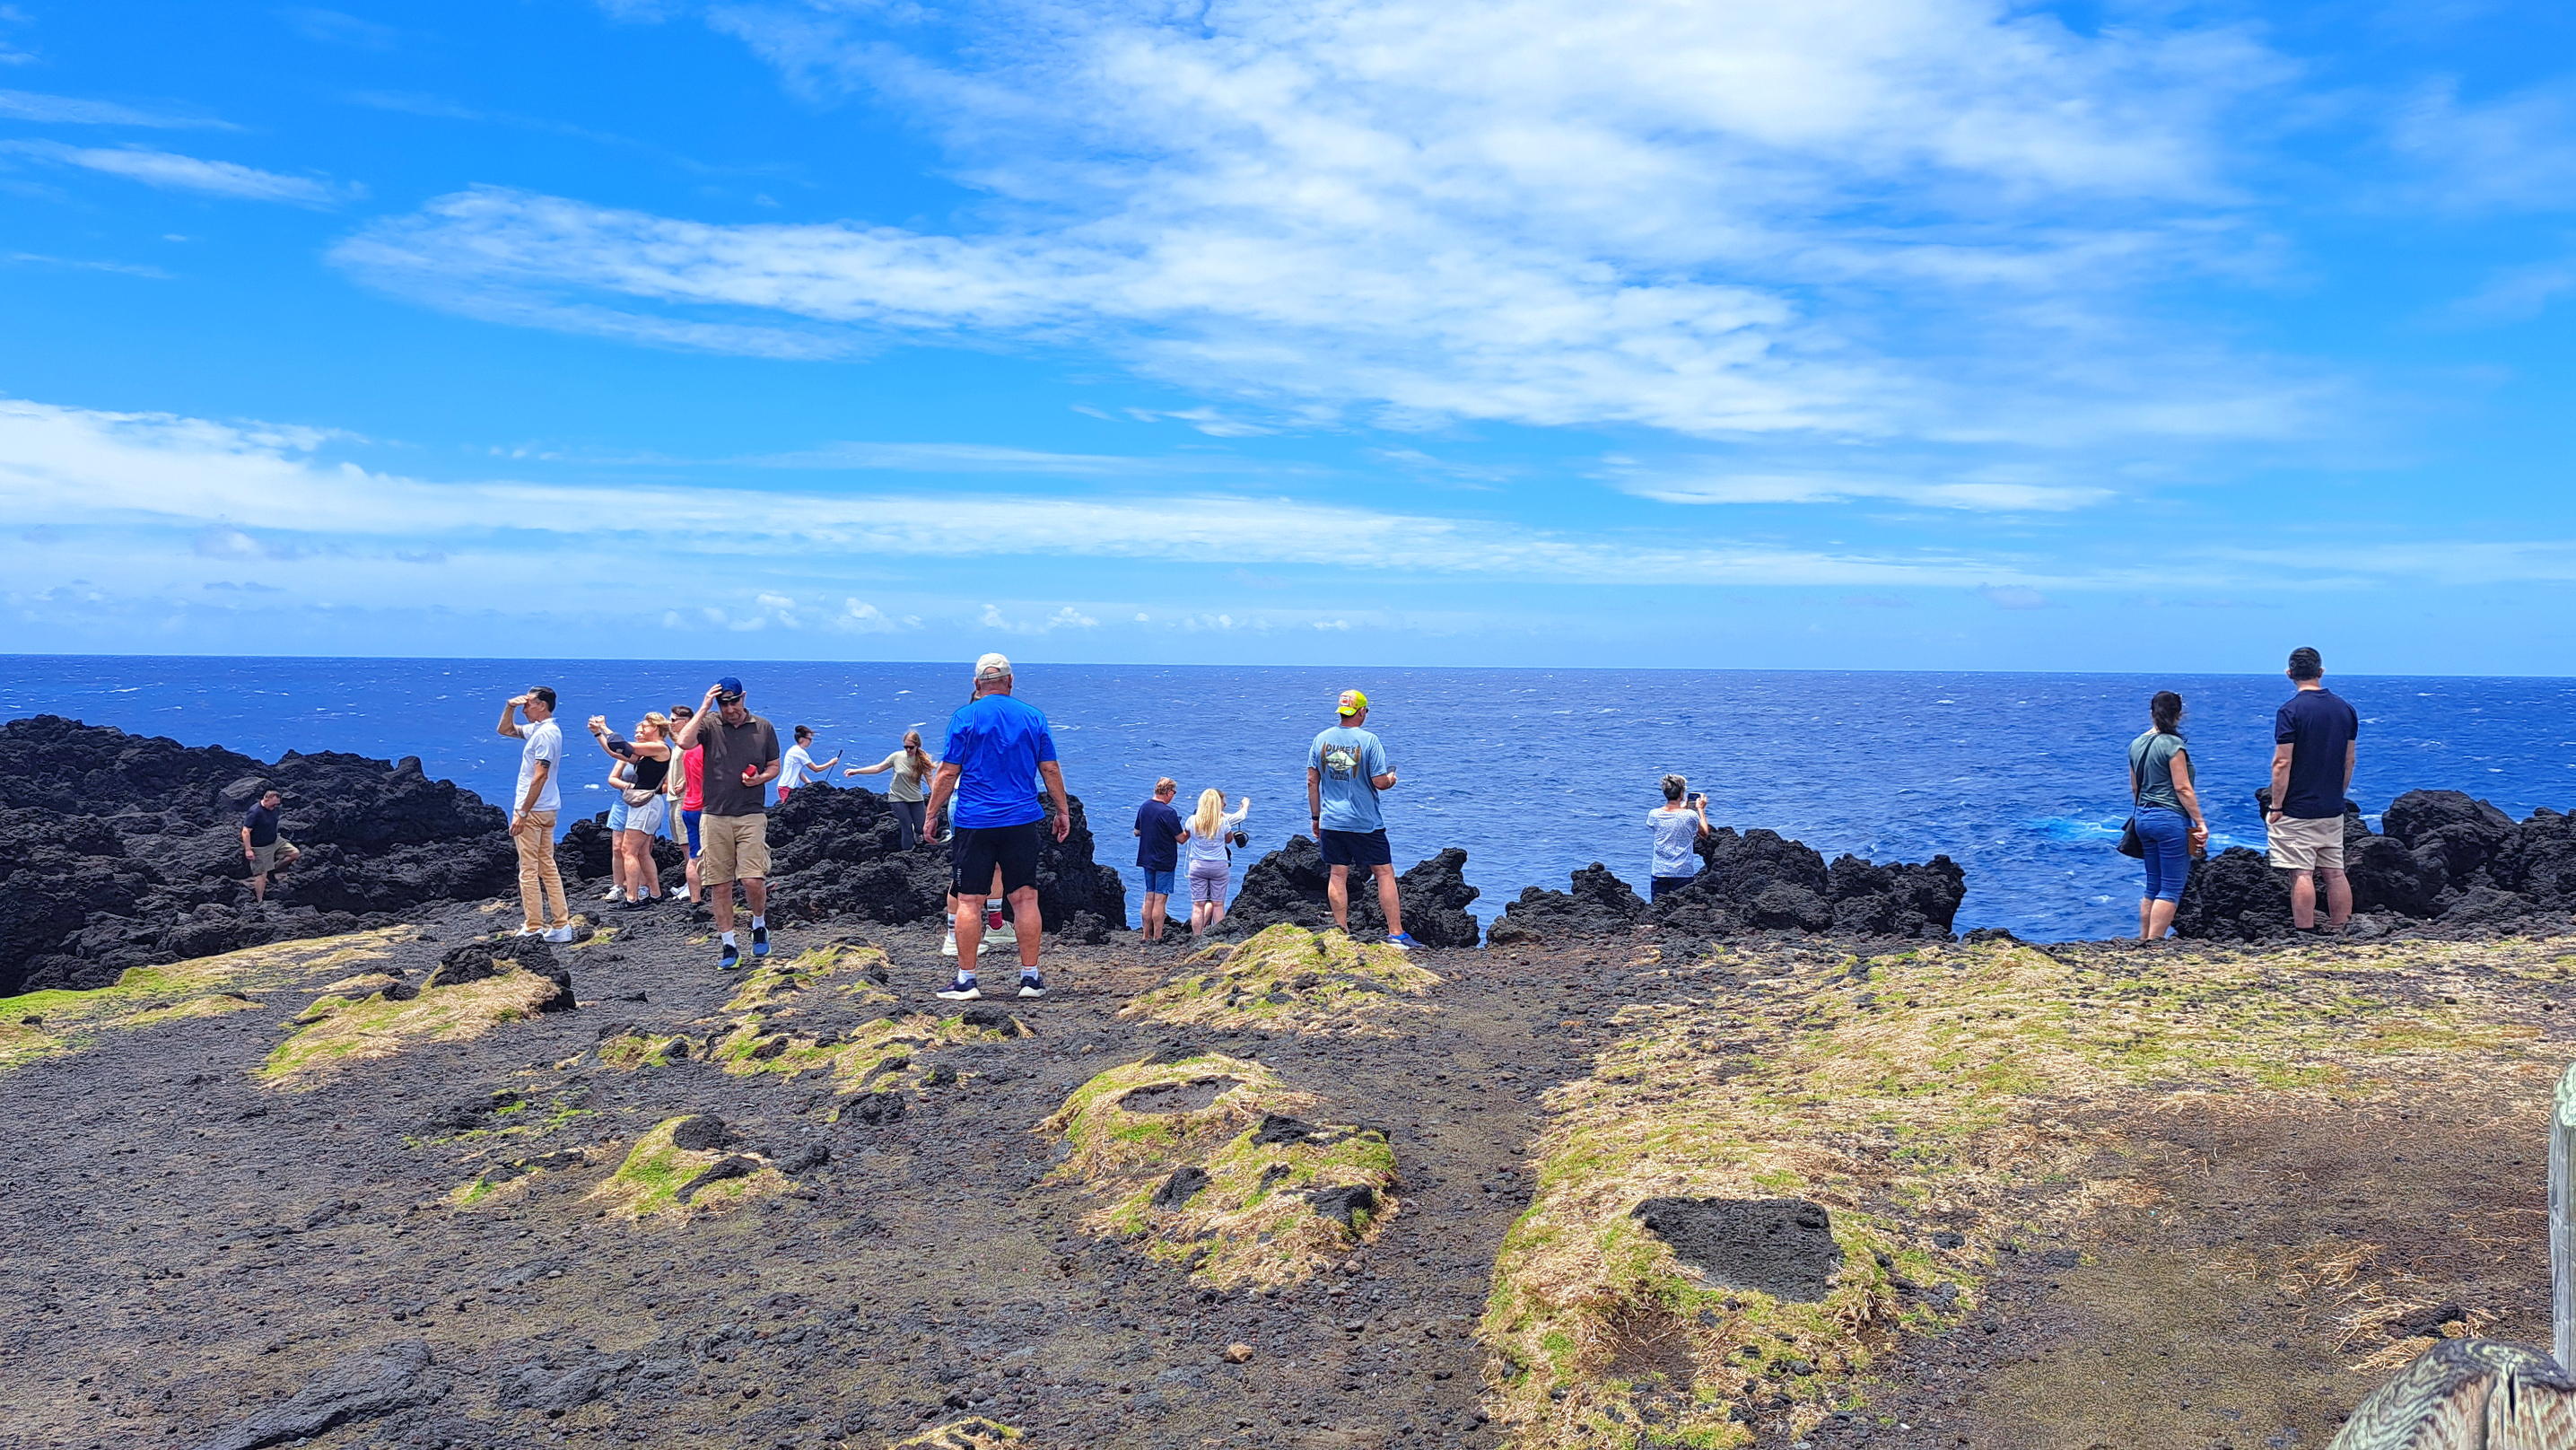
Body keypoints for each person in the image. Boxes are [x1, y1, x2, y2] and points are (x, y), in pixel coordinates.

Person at [926, 653, 1070, 1000]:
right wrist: (1062, 810)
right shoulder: (1033, 717)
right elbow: (1049, 768)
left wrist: (931, 814)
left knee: (969, 900)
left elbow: (948, 772)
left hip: (975, 821)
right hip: (1021, 819)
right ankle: (1030, 979)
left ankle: (966, 980)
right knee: (1025, 897)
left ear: (977, 684)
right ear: (1011, 681)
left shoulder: (965, 717)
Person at [670, 676, 782, 969]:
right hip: (713, 815)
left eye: (734, 702)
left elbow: (774, 766)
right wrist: (704, 706)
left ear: (744, 697)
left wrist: (760, 778)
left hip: (751, 813)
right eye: (723, 703)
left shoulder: (763, 727)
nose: (730, 709)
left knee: (752, 879)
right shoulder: (709, 724)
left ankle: (759, 924)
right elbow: (683, 741)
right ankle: (729, 945)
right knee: (719, 884)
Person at [1307, 688, 1416, 949]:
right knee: (1384, 873)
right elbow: (1379, 782)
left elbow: (1312, 780)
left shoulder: (1321, 739)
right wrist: (1391, 779)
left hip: (1332, 820)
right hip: (1364, 822)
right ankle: (1396, 934)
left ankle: (1341, 931)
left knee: (1338, 873)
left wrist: (1316, 817)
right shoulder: (1370, 741)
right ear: (1361, 711)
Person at [2268, 646, 2359, 933]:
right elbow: (2349, 760)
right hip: (2332, 806)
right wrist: (2338, 794)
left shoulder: (2290, 711)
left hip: (2297, 807)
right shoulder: (2345, 709)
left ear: (2289, 674)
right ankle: (2343, 929)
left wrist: (2276, 805)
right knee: (2335, 872)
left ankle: (2305, 933)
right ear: (2321, 672)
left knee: (2301, 872)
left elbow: (2282, 762)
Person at [496, 686, 576, 942]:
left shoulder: (545, 735)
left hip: (533, 811)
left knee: (528, 870)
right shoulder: (542, 730)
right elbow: (505, 730)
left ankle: (533, 927)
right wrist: (509, 706)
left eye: (528, 704)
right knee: (547, 866)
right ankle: (561, 925)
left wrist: (522, 811)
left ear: (542, 705)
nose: (524, 709)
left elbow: (540, 776)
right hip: (547, 808)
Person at [2127, 692, 2209, 941]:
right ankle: (2154, 944)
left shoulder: (2136, 744)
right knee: (2171, 887)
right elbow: (2182, 788)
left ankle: (2143, 940)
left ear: (2151, 713)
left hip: (2143, 817)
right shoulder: (2173, 746)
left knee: (2153, 885)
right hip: (2170, 820)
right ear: (2179, 715)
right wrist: (2200, 822)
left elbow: (2135, 788)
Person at [588, 712, 672, 909]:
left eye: (646, 726)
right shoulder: (648, 753)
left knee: (628, 850)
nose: (641, 729)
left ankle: (632, 898)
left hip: (646, 805)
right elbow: (617, 753)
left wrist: (604, 727)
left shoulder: (659, 748)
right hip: (646, 804)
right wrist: (598, 734)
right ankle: (655, 894)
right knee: (641, 852)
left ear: (655, 728)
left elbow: (622, 745)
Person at [846, 729, 936, 847]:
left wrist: (938, 797)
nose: (908, 750)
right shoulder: (896, 757)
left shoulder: (922, 761)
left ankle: (917, 833)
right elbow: (878, 768)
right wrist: (856, 771)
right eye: (906, 747)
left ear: (917, 746)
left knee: (921, 827)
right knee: (907, 826)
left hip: (915, 798)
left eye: (911, 747)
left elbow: (930, 780)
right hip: (897, 798)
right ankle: (907, 853)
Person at [1182, 787, 1252, 938]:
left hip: (1198, 865)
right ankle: (1219, 938)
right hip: (1219, 865)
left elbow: (1185, 836)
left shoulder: (1192, 820)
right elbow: (1229, 839)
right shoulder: (1223, 821)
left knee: (1198, 905)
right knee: (1218, 904)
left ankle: (1197, 937)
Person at [1132, 778, 1186, 943]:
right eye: (1174, 792)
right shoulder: (1169, 813)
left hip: (1146, 857)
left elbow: (1136, 832)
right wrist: (1191, 829)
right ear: (1168, 792)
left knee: (1149, 895)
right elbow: (1181, 839)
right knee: (1160, 898)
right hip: (1164, 860)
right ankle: (1158, 936)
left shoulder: (1145, 807)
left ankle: (1145, 935)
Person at [1646, 776, 1710, 900]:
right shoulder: (1690, 816)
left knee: (1658, 906)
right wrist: (1700, 809)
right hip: (1683, 872)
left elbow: (1672, 816)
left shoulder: (1654, 814)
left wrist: (1682, 806)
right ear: (1681, 794)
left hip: (1660, 871)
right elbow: (1705, 833)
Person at [668, 702, 704, 905]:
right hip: (675, 797)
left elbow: (699, 768)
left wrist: (685, 781)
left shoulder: (692, 743)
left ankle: (693, 887)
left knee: (688, 845)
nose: (671, 723)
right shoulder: (678, 743)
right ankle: (690, 883)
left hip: (686, 798)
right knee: (683, 844)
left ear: (686, 722)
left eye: (674, 720)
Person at [239, 788, 300, 905]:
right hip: (260, 847)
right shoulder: (255, 812)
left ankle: (272, 869)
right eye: (273, 804)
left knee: (294, 853)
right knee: (261, 875)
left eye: (277, 804)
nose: (275, 806)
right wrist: (248, 849)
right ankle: (260, 901)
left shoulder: (275, 809)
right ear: (266, 800)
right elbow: (245, 831)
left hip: (275, 840)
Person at [778, 726, 840, 802]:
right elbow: (816, 769)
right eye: (809, 739)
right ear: (801, 739)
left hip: (787, 787)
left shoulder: (794, 750)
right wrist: (831, 763)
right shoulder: (799, 752)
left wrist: (810, 783)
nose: (811, 742)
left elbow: (799, 772)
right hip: (787, 787)